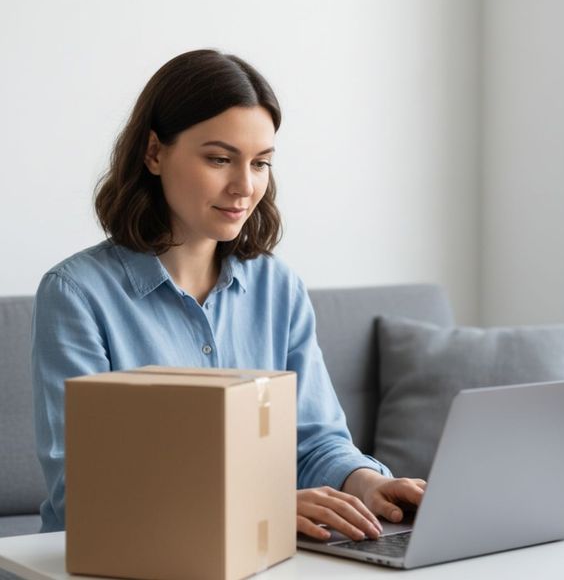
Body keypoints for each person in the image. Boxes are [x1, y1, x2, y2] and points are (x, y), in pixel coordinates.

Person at [31, 49, 426, 542]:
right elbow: (84, 489)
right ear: (154, 153)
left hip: (258, 555)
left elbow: (314, 441)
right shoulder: (76, 295)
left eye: (260, 163)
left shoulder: (278, 289)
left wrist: (365, 484)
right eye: (219, 159)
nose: (245, 186)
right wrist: (259, 506)